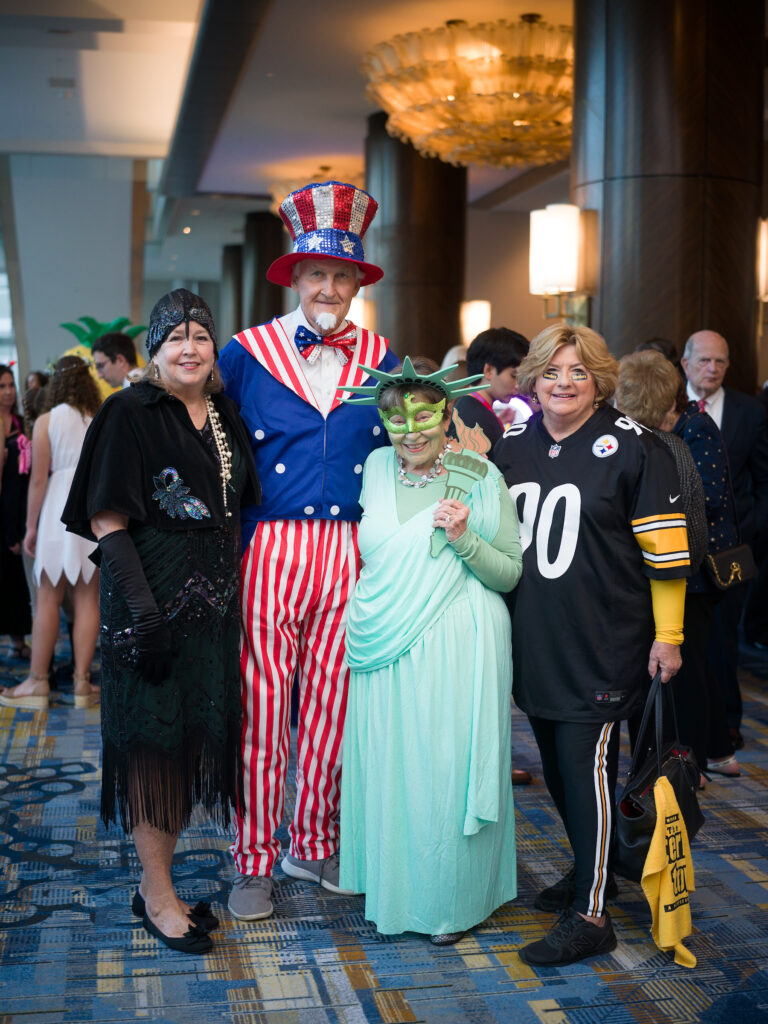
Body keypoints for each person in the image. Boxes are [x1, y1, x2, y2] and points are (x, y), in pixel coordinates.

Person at [219, 180, 399, 922]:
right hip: (270, 547)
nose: (329, 286)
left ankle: (313, 841)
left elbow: (406, 448)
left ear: (358, 283)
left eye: (343, 274)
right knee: (263, 710)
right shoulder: (244, 353)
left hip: (350, 549)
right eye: (316, 273)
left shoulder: (387, 357)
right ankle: (253, 859)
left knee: (332, 709)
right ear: (294, 278)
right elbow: (215, 450)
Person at [62, 290, 261, 955]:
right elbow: (106, 521)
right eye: (174, 337)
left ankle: (160, 885)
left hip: (211, 618)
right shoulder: (128, 411)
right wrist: (145, 616)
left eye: (201, 336)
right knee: (151, 754)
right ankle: (156, 893)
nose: (188, 347)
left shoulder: (223, 413)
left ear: (214, 348)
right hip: (148, 610)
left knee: (182, 750)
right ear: (153, 349)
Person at [492, 324, 690, 967]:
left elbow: (668, 555)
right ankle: (589, 867)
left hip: (605, 642)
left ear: (600, 378)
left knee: (587, 770)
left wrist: (670, 635)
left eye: (578, 372)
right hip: (538, 639)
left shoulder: (637, 448)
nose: (563, 384)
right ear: (533, 378)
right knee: (556, 766)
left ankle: (592, 912)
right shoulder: (514, 445)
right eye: (551, 371)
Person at [338, 357, 522, 943]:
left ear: (447, 414)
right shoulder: (371, 468)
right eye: (396, 419)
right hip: (382, 640)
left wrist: (465, 537)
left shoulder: (478, 474)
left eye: (425, 415)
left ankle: (450, 901)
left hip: (456, 645)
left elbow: (510, 574)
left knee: (444, 775)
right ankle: (400, 887)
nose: (411, 430)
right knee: (395, 770)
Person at [615, 350, 739, 779]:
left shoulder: (606, 447)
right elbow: (696, 536)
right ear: (669, 400)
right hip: (668, 589)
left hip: (615, 596)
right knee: (666, 687)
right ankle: (664, 774)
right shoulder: (675, 449)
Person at [681, 330, 768, 748]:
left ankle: (727, 724)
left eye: (720, 362)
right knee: (684, 645)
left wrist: (751, 534)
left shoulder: (750, 412)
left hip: (732, 549)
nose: (712, 369)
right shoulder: (669, 407)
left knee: (723, 642)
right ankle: (691, 730)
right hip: (679, 551)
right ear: (685, 364)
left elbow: (763, 478)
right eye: (703, 361)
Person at [0, 356, 102, 709]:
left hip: (58, 509)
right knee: (89, 598)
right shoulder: (100, 418)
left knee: (47, 597)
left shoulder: (46, 419)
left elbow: (38, 479)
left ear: (56, 384)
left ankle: (37, 682)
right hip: (91, 511)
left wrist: (30, 528)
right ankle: (82, 684)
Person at [454, 328, 530, 452]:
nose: (518, 386)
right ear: (488, 371)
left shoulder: (470, 407)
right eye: (514, 376)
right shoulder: (473, 417)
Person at [0, 364, 32, 659]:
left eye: (11, 385)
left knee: (14, 579)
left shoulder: (22, 423)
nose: (8, 391)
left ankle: (17, 640)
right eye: (2, 386)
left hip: (17, 508)